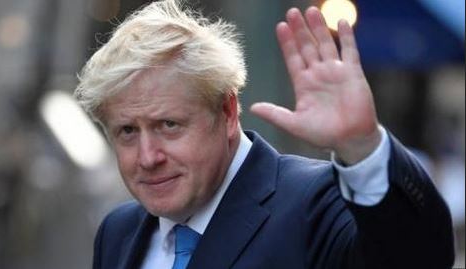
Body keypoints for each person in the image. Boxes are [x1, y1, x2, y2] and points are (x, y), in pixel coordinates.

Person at [74, 0, 454, 268]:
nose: (147, 156)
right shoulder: (118, 232)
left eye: (168, 125)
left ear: (226, 112)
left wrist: (363, 148)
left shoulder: (316, 203)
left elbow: (416, 258)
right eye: (127, 131)